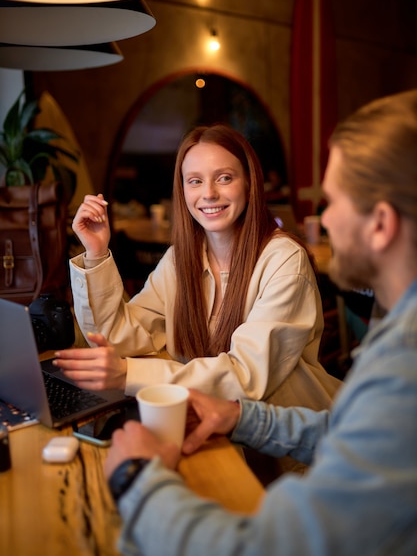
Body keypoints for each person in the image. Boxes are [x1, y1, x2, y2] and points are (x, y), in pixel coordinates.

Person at [103, 91, 417, 555]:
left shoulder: (401, 370)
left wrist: (136, 482)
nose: (323, 217)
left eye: (331, 201)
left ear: (381, 223)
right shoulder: (396, 342)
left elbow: (267, 547)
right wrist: (244, 417)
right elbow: (352, 433)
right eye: (194, 181)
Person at [54, 123, 339, 409]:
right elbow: (117, 338)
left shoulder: (284, 261)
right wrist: (96, 251)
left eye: (224, 178)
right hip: (214, 429)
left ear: (250, 183)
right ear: (183, 190)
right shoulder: (181, 260)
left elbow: (244, 377)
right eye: (195, 181)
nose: (209, 193)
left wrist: (128, 374)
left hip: (286, 444)